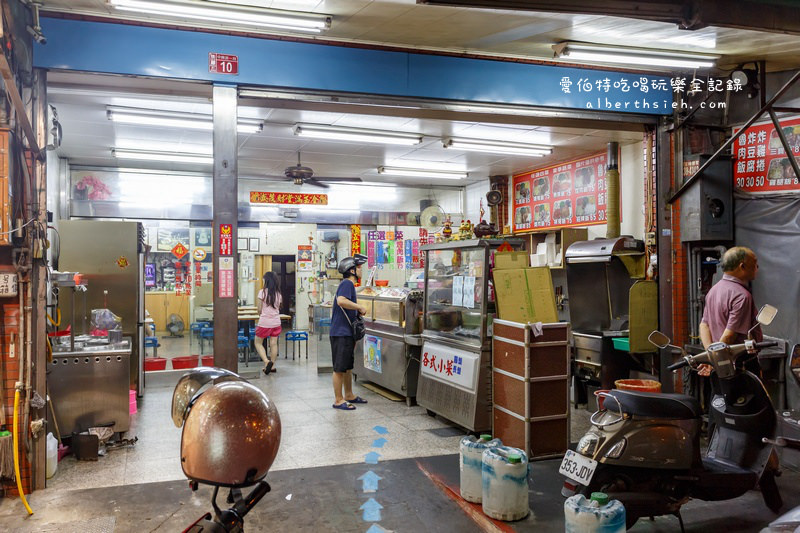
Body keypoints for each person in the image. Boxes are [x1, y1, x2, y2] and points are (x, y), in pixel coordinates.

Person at [698, 246, 762, 376]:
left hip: (721, 362)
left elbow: (704, 325)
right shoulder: (742, 296)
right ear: (742, 266)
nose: (757, 267)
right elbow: (729, 335)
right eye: (755, 263)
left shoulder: (714, 290)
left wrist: (711, 357)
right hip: (739, 365)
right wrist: (715, 359)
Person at [329, 254, 369, 410]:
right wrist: (359, 307)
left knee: (347, 366)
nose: (361, 270)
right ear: (351, 270)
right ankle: (338, 400)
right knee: (339, 368)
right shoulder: (347, 283)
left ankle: (349, 394)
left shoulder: (348, 284)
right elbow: (341, 301)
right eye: (359, 267)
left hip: (345, 332)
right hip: (341, 333)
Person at [255, 271, 282, 375]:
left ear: (266, 280)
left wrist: (260, 316)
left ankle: (266, 362)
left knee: (258, 343)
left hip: (264, 322)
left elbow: (259, 308)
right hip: (276, 322)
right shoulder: (278, 294)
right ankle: (273, 365)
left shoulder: (262, 292)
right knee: (273, 343)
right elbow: (278, 308)